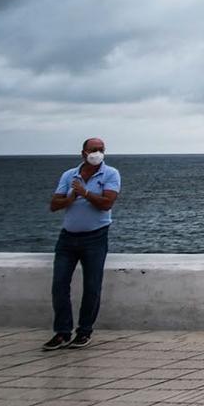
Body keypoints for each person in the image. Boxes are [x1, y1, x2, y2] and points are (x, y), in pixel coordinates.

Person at [46, 137, 120, 350]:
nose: (97, 153)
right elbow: (54, 204)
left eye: (101, 149)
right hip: (67, 237)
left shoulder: (110, 174)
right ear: (83, 153)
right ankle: (62, 332)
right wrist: (70, 198)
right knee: (59, 285)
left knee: (92, 286)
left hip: (95, 237)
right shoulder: (69, 175)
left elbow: (107, 203)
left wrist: (85, 193)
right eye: (93, 149)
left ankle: (84, 331)